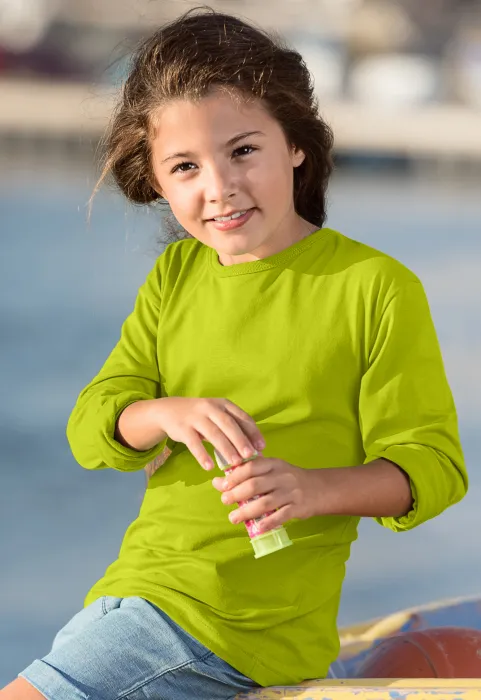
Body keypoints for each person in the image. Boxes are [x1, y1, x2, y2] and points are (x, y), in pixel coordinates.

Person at [1, 7, 468, 700]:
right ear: (157, 181)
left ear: (295, 144)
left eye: (242, 151)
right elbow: (91, 429)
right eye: (185, 167)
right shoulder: (175, 276)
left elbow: (433, 468)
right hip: (141, 602)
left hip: (237, 632)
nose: (218, 187)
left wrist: (313, 490)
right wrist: (164, 413)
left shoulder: (373, 286)